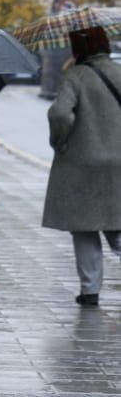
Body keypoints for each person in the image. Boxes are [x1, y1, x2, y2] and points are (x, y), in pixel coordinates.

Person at [43, 26, 121, 308]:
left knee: (85, 228)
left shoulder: (75, 76)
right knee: (117, 225)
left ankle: (90, 290)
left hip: (83, 164)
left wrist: (59, 141)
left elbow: (61, 113)